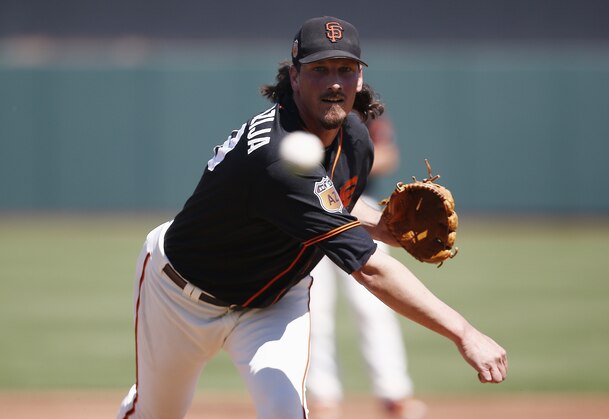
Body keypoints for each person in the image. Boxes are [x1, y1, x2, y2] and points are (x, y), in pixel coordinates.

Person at [117, 15, 508, 419]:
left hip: (273, 301)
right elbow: (369, 269)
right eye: (319, 69)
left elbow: (331, 200)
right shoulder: (276, 155)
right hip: (181, 296)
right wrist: (463, 332)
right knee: (156, 414)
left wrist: (383, 226)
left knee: (287, 412)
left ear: (359, 78)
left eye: (346, 69)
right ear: (294, 77)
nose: (335, 82)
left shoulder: (356, 137)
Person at [307, 115, 427, 419]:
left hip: (359, 207)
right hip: (306, 209)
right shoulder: (298, 112)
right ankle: (322, 396)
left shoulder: (363, 113)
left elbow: (388, 155)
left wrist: (335, 163)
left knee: (375, 305)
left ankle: (394, 393)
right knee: (313, 308)